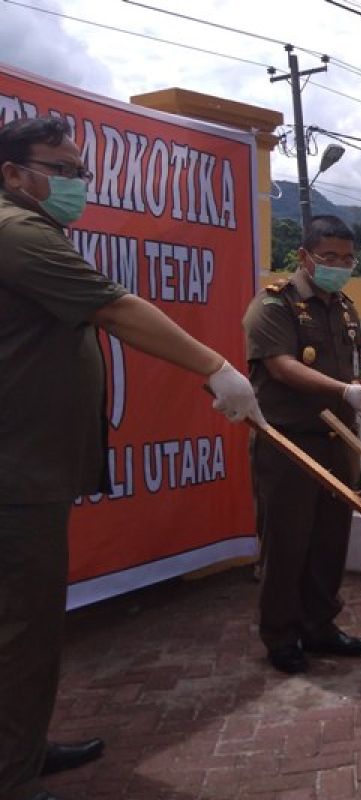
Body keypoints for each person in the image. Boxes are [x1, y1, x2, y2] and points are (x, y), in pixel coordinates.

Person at [0, 116, 260, 800]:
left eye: (81, 169)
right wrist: (215, 368)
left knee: (25, 623)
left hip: (29, 468)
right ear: (13, 173)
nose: (78, 182)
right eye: (63, 168)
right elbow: (114, 309)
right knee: (21, 626)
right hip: (14, 473)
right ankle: (12, 775)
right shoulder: (17, 231)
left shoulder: (30, 229)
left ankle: (20, 746)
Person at [243, 214, 361, 675]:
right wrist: (341, 391)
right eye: (329, 257)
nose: (339, 265)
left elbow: (351, 362)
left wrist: (354, 389)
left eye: (347, 257)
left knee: (329, 538)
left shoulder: (343, 307)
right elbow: (280, 365)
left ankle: (321, 626)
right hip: (288, 441)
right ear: (304, 256)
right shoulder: (274, 305)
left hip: (336, 439)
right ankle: (280, 635)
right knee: (286, 542)